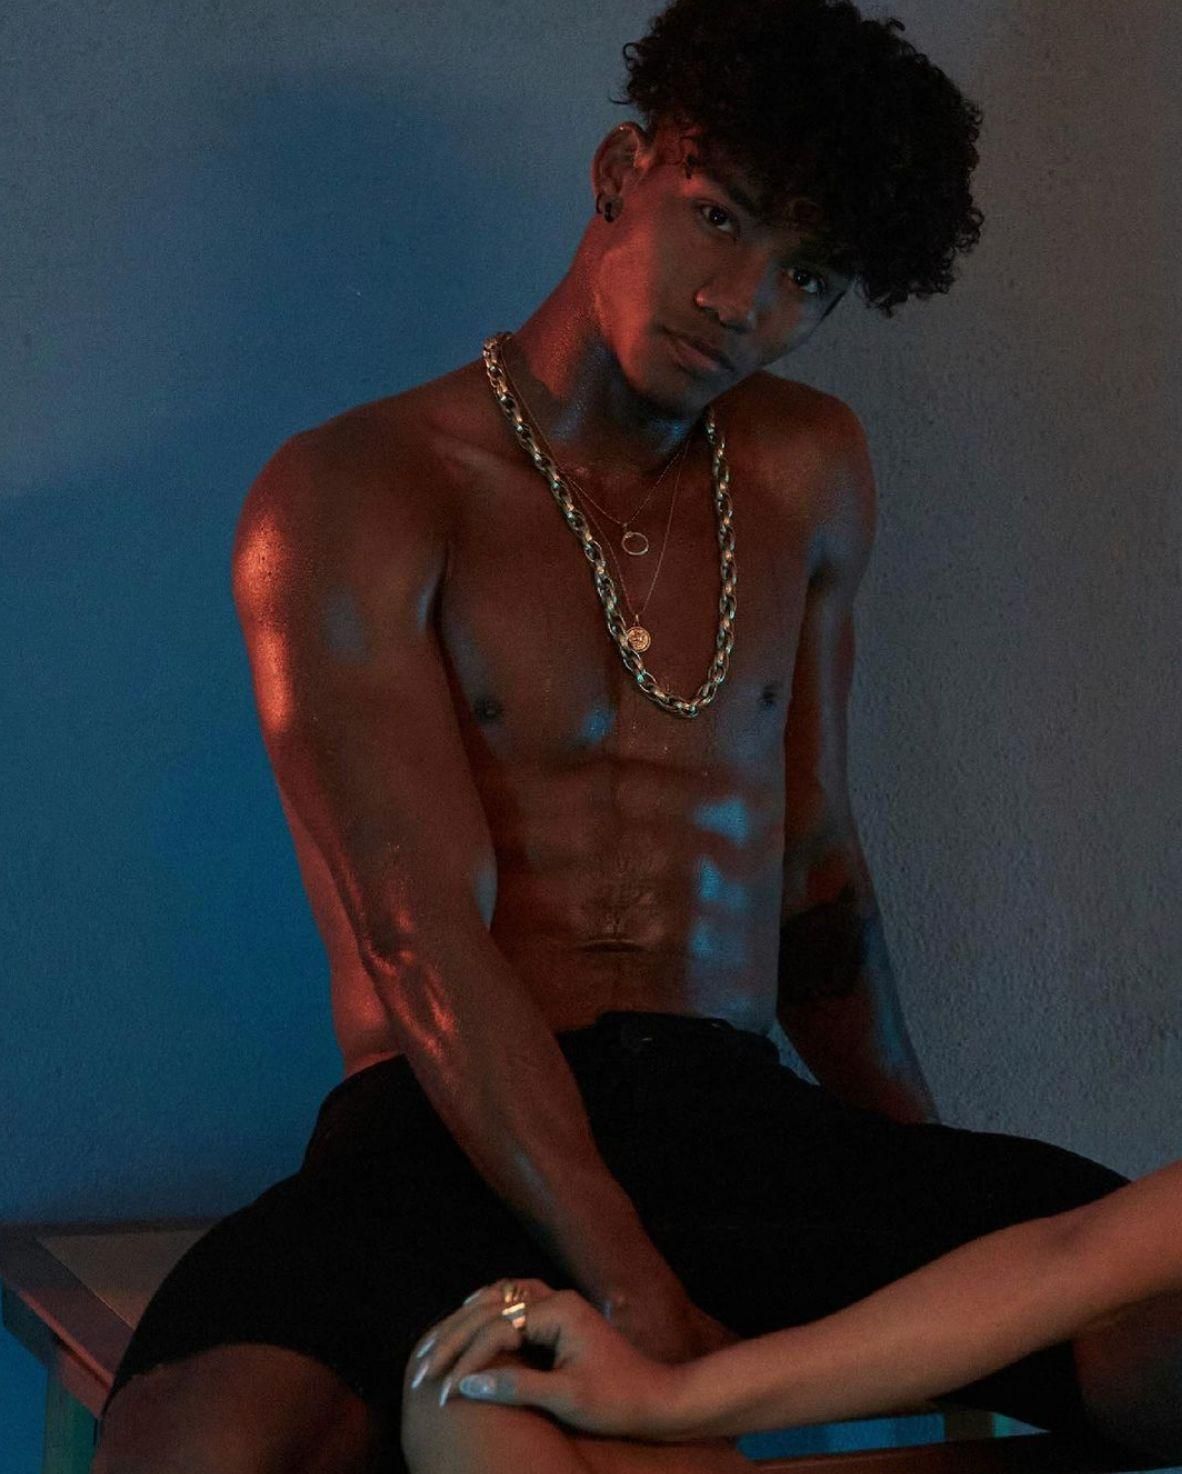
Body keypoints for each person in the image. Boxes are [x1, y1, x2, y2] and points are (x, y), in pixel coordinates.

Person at [92, 2, 1181, 1472]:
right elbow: (421, 938)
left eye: (807, 276)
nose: (741, 301)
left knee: (1156, 1334)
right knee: (199, 1449)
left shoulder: (808, 469)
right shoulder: (355, 490)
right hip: (447, 1130)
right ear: (622, 173)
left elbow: (813, 876)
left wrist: (923, 1194)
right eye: (718, 218)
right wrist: (629, 1284)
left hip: (731, 1115)